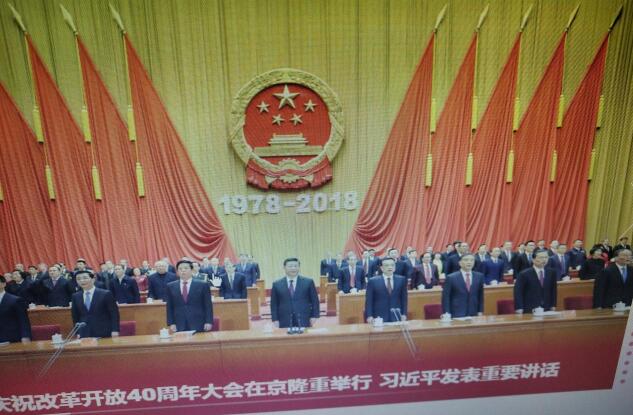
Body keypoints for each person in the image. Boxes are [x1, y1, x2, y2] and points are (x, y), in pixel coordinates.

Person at [165, 259, 213, 332]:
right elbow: (169, 306)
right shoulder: (170, 286)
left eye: (186, 268)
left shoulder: (203, 285)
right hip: (179, 323)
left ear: (192, 270)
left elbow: (208, 305)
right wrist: (171, 323)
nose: (183, 270)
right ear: (177, 271)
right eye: (180, 269)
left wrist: (208, 321)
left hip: (199, 322)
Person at [270, 258, 320, 328]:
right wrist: (275, 319)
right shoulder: (277, 284)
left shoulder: (308, 282)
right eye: (290, 266)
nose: (293, 268)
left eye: (296, 266)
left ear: (299, 267)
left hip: (304, 318)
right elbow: (274, 304)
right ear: (284, 267)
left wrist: (314, 316)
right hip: (284, 319)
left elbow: (315, 301)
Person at [71, 270, 120, 338]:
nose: (82, 281)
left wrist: (115, 330)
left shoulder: (105, 294)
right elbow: (75, 316)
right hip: (84, 332)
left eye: (85, 278)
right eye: (78, 279)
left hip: (104, 331)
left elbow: (114, 313)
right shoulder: (75, 296)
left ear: (93, 279)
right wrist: (78, 332)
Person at [365, 257, 408, 323]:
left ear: (395, 267)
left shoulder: (401, 280)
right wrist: (369, 316)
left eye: (392, 265)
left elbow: (404, 299)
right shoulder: (372, 281)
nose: (390, 267)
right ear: (382, 268)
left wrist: (404, 314)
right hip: (379, 316)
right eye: (387, 265)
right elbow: (369, 301)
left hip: (396, 315)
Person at [0, 275, 31, 343]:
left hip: (11, 337)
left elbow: (23, 320)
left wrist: (25, 336)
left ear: (4, 284)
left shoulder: (15, 300)